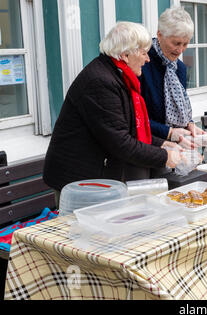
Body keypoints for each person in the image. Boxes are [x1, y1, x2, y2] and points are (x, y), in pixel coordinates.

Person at [43, 21, 183, 206]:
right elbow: (121, 142)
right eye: (143, 53)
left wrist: (164, 143)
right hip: (80, 185)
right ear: (125, 55)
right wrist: (165, 156)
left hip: (96, 178)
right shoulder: (100, 81)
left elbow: (131, 129)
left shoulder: (117, 75)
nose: (147, 59)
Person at [140, 6, 205, 150]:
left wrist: (189, 124)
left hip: (176, 144)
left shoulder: (180, 68)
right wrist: (169, 133)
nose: (180, 50)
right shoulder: (142, 63)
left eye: (185, 44)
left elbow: (180, 107)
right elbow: (135, 116)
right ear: (160, 34)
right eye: (176, 43)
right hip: (146, 145)